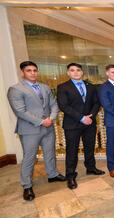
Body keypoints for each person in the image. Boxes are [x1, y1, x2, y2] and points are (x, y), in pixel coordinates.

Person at [7, 61, 66, 201]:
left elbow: (54, 104)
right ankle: (27, 185)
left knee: (50, 152)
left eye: (34, 70)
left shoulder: (44, 87)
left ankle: (52, 175)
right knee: (30, 158)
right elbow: (21, 111)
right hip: (29, 129)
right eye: (29, 70)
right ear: (23, 72)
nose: (33, 73)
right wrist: (41, 121)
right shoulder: (15, 89)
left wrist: (50, 119)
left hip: (48, 127)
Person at [57, 63, 105, 189]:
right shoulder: (63, 87)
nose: (76, 72)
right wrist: (81, 118)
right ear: (68, 73)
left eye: (78, 70)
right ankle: (70, 175)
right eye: (72, 70)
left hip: (90, 123)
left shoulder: (90, 86)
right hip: (72, 124)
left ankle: (91, 168)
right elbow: (63, 106)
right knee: (72, 150)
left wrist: (91, 116)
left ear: (82, 72)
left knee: (90, 147)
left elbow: (97, 103)